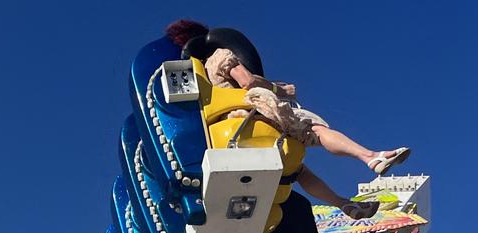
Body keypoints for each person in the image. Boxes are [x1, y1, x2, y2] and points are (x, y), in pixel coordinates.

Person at [166, 20, 410, 176]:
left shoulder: (194, 76)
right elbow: (247, 81)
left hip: (222, 135)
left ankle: (342, 203)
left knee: (297, 169)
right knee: (315, 130)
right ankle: (370, 157)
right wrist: (280, 90)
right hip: (251, 116)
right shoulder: (219, 55)